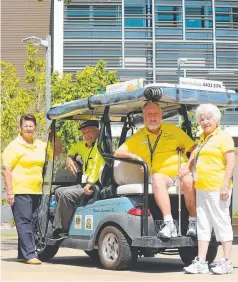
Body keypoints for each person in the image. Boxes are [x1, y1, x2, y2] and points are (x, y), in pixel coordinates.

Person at [114, 101, 196, 239]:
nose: (153, 117)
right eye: (149, 114)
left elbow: (194, 149)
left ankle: (193, 222)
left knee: (188, 180)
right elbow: (118, 152)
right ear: (144, 116)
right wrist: (136, 157)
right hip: (162, 177)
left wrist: (187, 166)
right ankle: (169, 224)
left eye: (155, 114)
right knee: (157, 177)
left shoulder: (174, 131)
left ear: (161, 115)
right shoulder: (139, 136)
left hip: (180, 172)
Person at [183, 104, 235, 275]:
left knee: (222, 223)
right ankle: (202, 261)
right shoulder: (203, 138)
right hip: (202, 188)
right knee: (203, 225)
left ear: (216, 119)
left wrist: (224, 186)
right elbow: (194, 153)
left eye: (208, 118)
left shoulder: (223, 137)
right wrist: (187, 166)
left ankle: (226, 261)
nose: (205, 122)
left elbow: (231, 163)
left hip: (217, 188)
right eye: (202, 119)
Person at [2, 115, 46, 264]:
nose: (28, 128)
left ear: (35, 128)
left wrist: (55, 135)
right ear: (20, 128)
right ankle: (29, 255)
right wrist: (10, 192)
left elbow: (56, 152)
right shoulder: (14, 146)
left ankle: (23, 253)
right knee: (24, 222)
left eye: (31, 126)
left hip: (36, 190)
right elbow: (6, 169)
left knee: (32, 222)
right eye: (25, 126)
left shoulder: (40, 145)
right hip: (20, 189)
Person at [52, 120, 104, 236]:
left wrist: (89, 185)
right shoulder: (82, 146)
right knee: (58, 191)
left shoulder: (101, 145)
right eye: (84, 133)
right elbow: (72, 149)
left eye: (89, 132)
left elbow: (96, 166)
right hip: (84, 183)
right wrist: (69, 158)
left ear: (98, 131)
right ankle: (69, 223)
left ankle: (62, 229)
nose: (87, 135)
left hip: (94, 185)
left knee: (66, 195)